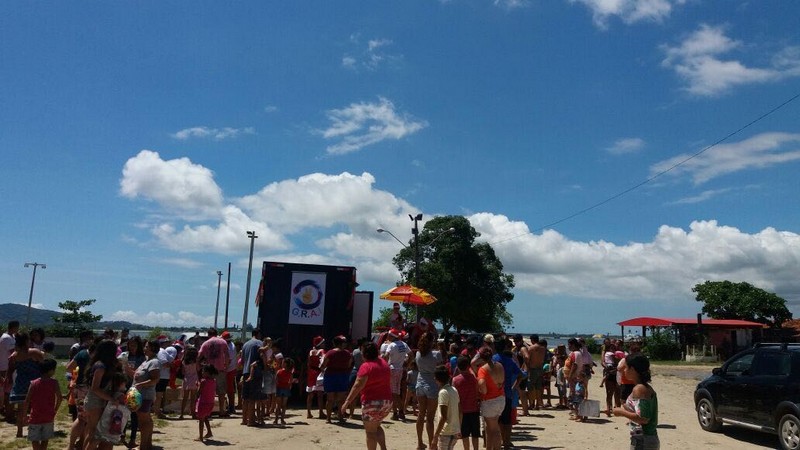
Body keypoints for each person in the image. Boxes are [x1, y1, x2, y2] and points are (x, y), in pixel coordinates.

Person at [340, 342, 392, 450]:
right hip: (386, 402)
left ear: (364, 354)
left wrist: (347, 402)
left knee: (370, 432)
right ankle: (383, 448)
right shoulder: (384, 363)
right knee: (376, 426)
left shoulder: (366, 366)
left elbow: (357, 385)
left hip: (372, 402)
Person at [613, 354, 659, 449]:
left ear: (632, 369)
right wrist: (622, 407)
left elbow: (643, 418)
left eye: (626, 367)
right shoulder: (645, 387)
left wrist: (621, 412)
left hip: (643, 440)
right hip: (646, 439)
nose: (624, 370)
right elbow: (638, 411)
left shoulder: (639, 389)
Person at [83, 339, 122, 450]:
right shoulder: (100, 367)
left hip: (97, 401)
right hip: (95, 402)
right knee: (94, 433)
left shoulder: (101, 364)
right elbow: (95, 388)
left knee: (91, 431)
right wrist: (111, 399)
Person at [9, 332, 45, 438]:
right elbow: (44, 364)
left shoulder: (15, 355)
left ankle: (19, 432)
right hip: (35, 383)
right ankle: (36, 430)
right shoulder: (34, 352)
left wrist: (9, 379)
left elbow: (11, 369)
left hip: (20, 383)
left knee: (21, 410)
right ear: (26, 341)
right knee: (36, 407)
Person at [23, 358, 62, 450]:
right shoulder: (54, 383)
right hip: (48, 416)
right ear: (50, 370)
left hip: (35, 416)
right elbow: (60, 398)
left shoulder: (33, 383)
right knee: (45, 438)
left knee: (34, 439)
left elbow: (27, 400)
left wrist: (24, 415)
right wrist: (55, 409)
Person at [493, 338, 523, 448]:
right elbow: (521, 374)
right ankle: (506, 441)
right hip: (507, 393)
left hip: (494, 394)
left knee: (497, 420)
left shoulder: (492, 359)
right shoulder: (509, 361)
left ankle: (500, 440)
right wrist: (514, 387)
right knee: (507, 420)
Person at [415, 332, 442, 449]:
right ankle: (432, 444)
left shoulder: (418, 353)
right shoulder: (436, 354)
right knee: (430, 418)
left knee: (421, 415)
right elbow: (440, 369)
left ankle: (419, 443)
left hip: (420, 383)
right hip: (432, 384)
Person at [133, 340, 161, 450]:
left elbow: (155, 379)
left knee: (144, 420)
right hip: (140, 394)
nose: (144, 348)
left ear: (152, 348)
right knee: (145, 419)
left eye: (146, 346)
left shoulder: (154, 362)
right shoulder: (147, 361)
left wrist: (140, 384)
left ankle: (143, 445)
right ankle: (147, 444)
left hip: (145, 395)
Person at [198, 328, 230, 417]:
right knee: (221, 392)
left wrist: (199, 367)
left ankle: (208, 411)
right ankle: (221, 410)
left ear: (208, 334)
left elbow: (199, 356)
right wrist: (226, 367)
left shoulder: (206, 343)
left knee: (209, 391)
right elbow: (227, 356)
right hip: (220, 369)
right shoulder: (223, 342)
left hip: (209, 370)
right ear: (216, 334)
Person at [477, 345, 504, 450]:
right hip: (500, 398)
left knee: (494, 429)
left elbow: (483, 387)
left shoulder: (483, 369)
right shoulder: (499, 365)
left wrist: (480, 390)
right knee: (490, 427)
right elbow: (501, 381)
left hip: (490, 401)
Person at [321, 335, 353, 423]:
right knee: (341, 399)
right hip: (343, 376)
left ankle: (328, 418)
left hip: (330, 376)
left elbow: (323, 365)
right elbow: (349, 365)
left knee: (330, 399)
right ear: (341, 343)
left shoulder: (330, 353)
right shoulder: (348, 353)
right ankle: (340, 417)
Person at [382, 328, 410, 421]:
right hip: (400, 369)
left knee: (393, 393)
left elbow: (386, 356)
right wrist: (406, 364)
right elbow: (411, 355)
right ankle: (397, 412)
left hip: (392, 369)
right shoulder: (404, 344)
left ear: (392, 336)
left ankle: (398, 412)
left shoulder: (392, 345)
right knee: (396, 391)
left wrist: (384, 364)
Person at [432, 365, 461, 450]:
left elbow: (444, 417)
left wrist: (435, 435)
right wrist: (458, 428)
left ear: (437, 379)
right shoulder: (454, 390)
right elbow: (460, 411)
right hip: (454, 430)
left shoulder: (443, 392)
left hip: (446, 432)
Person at [239, 329, 262, 426]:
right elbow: (262, 357)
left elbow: (242, 360)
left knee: (245, 397)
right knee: (253, 397)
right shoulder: (259, 343)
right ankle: (251, 420)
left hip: (245, 372)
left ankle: (244, 419)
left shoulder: (245, 344)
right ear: (258, 334)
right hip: (255, 373)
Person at [0, 320, 20, 421]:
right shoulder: (6, 338)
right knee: (7, 391)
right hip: (5, 367)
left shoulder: (11, 337)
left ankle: (6, 410)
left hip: (8, 366)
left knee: (6, 391)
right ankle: (8, 413)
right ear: (14, 327)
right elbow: (14, 352)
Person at [195, 365, 217, 442]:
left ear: (207, 372)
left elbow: (199, 392)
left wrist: (198, 385)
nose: (202, 373)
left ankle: (201, 437)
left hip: (203, 402)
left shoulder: (203, 381)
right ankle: (209, 432)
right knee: (205, 417)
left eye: (203, 371)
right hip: (210, 402)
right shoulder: (214, 380)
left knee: (201, 419)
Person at [306, 336, 326, 419]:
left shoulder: (311, 351)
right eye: (323, 343)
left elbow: (308, 363)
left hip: (311, 372)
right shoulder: (322, 351)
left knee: (310, 393)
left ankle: (308, 412)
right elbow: (323, 362)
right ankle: (321, 412)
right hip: (318, 373)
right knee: (320, 394)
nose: (324, 344)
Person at [179, 346, 199, 420]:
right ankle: (193, 414)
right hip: (194, 379)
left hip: (187, 379)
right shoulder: (196, 362)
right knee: (193, 398)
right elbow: (198, 369)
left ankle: (181, 414)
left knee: (185, 398)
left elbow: (182, 372)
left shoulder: (184, 362)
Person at [601, 342, 621, 417]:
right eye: (611, 348)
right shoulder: (611, 355)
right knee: (610, 393)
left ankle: (614, 409)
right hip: (611, 374)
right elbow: (603, 362)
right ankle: (609, 409)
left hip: (615, 374)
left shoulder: (615, 355)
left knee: (615, 392)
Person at [274, 358, 294, 426]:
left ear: (285, 364)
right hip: (286, 388)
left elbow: (276, 380)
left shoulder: (279, 371)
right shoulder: (290, 372)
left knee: (278, 405)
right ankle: (282, 419)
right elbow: (290, 381)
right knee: (284, 405)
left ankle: (276, 419)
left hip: (279, 388)